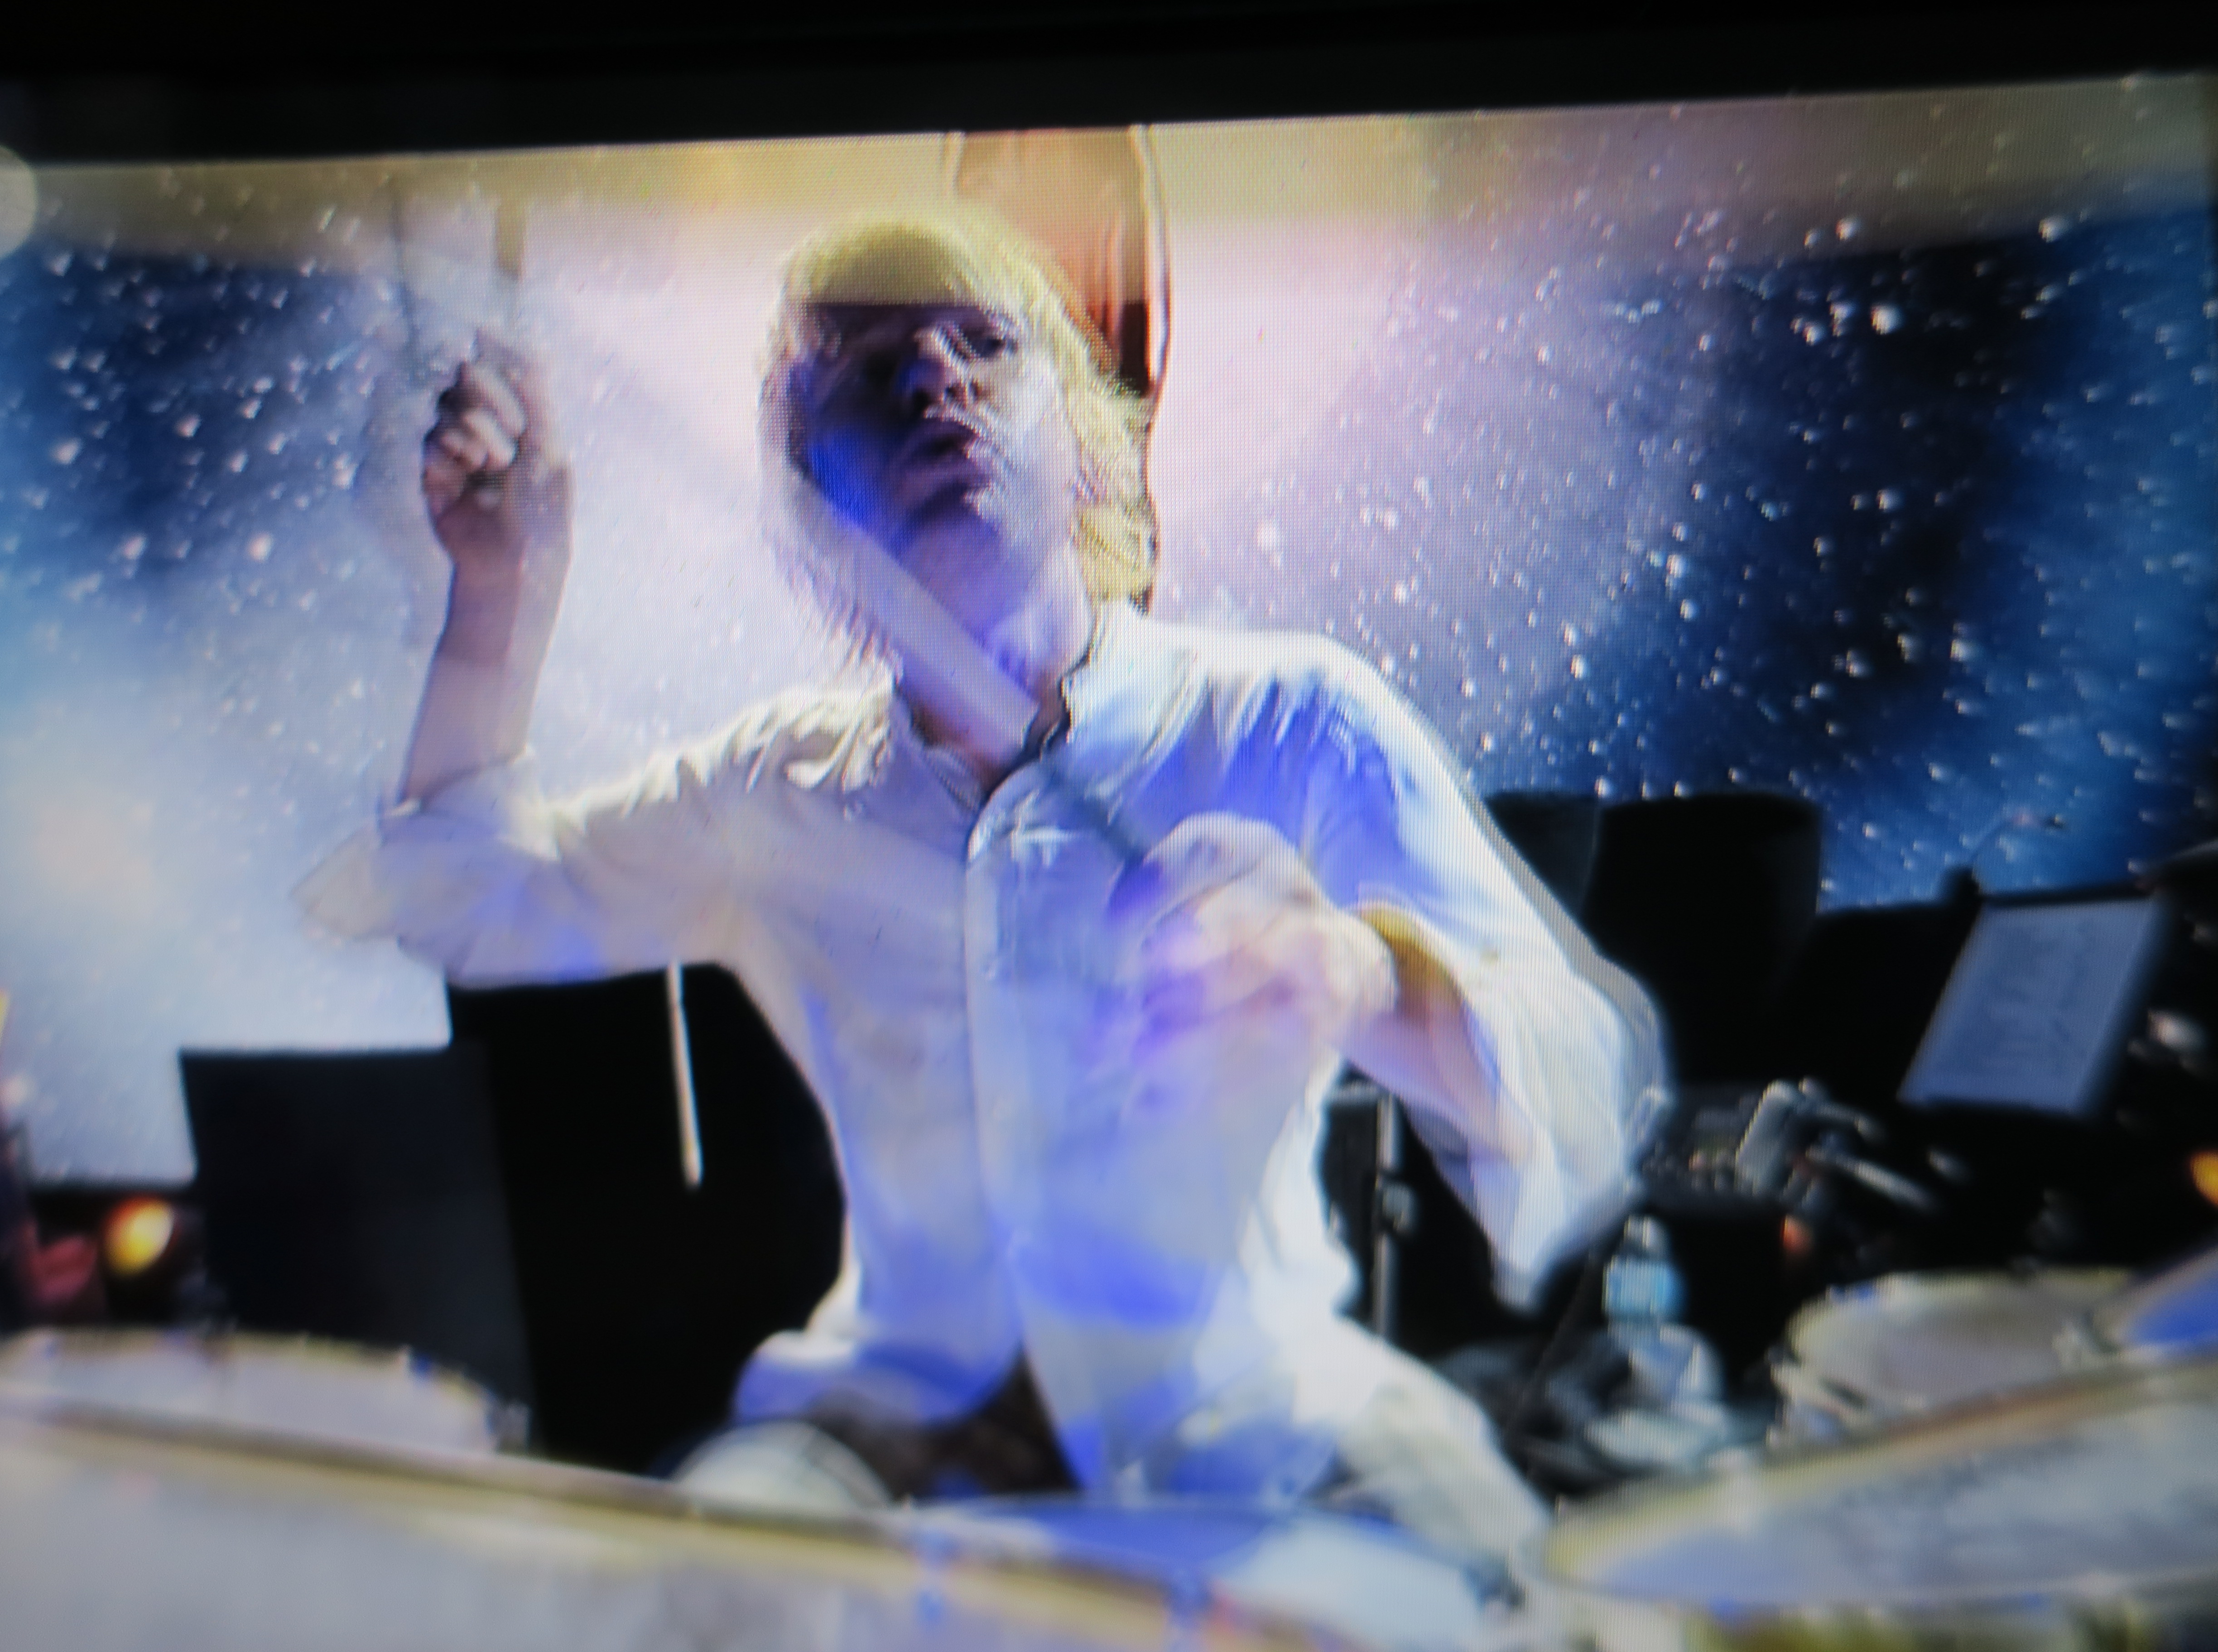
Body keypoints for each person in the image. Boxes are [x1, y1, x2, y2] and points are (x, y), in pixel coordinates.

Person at [300, 210, 1664, 1565]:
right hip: (885, 1441)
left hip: (1263, 1416)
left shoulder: (1295, 722)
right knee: (690, 1606)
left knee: (1528, 1601)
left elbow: (1587, 1081)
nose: (932, 380)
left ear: (1090, 449)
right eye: (866, 371)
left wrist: (1365, 977)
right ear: (814, 509)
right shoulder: (773, 789)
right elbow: (461, 899)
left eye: (985, 343)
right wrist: (501, 592)